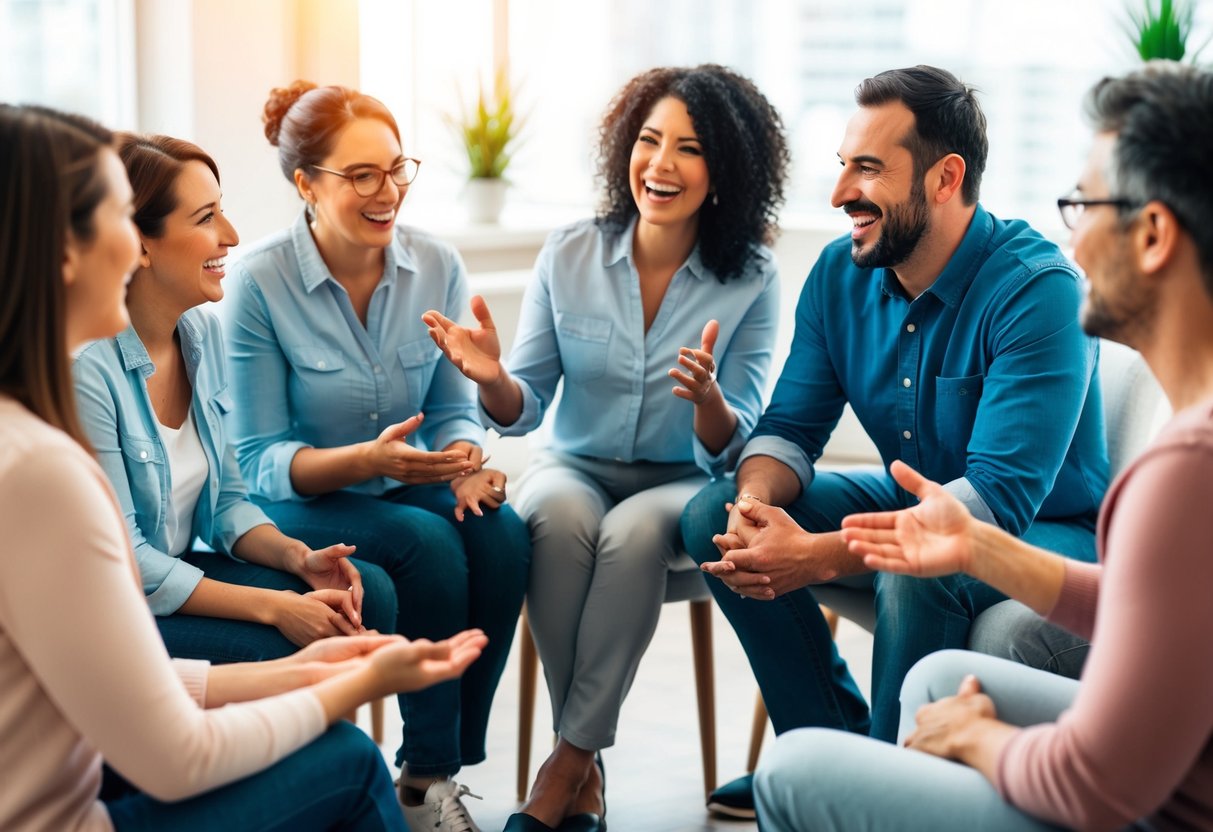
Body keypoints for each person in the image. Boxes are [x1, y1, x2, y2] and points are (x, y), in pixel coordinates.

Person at [0, 102, 487, 832]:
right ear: (70, 249)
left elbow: (221, 506)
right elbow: (171, 747)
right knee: (350, 758)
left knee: (401, 579)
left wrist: (308, 651)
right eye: (117, 218)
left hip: (110, 731)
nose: (229, 234)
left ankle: (426, 771)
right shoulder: (43, 461)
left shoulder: (189, 338)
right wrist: (334, 675)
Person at [755, 60, 1213, 832]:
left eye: (1083, 203)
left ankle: (868, 777)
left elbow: (1096, 790)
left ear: (1154, 233)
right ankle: (875, 764)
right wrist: (971, 547)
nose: (1071, 235)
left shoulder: (1183, 472)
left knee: (792, 770)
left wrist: (980, 739)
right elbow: (1153, 615)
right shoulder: (1188, 444)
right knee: (938, 677)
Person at [679, 64, 1109, 817]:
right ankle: (835, 752)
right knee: (711, 516)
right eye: (842, 164)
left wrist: (814, 555)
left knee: (921, 568)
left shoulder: (1037, 288)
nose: (841, 191)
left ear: (945, 179)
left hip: (1047, 529)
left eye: (868, 168)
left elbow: (997, 500)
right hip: (920, 498)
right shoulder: (839, 273)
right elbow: (787, 429)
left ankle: (882, 791)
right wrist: (753, 507)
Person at [423, 63, 788, 831]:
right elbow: (522, 411)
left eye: (689, 149)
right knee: (553, 517)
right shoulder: (570, 251)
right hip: (574, 463)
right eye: (648, 140)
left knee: (629, 534)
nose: (661, 164)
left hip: (680, 480)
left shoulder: (753, 276)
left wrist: (709, 401)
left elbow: (735, 445)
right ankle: (582, 764)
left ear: (724, 171)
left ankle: (562, 771)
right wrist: (491, 380)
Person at [223, 80, 532, 831]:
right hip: (299, 495)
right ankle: (429, 775)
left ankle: (435, 767)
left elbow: (456, 407)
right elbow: (258, 455)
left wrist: (462, 458)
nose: (386, 191)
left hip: (401, 480)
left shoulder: (435, 264)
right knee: (429, 543)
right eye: (361, 175)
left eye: (396, 168)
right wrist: (366, 460)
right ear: (306, 183)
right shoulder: (259, 283)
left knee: (499, 533)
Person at [73, 132, 396, 662]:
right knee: (277, 635)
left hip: (170, 577)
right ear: (139, 244)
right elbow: (125, 558)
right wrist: (272, 605)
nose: (230, 235)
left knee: (366, 591)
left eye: (222, 211)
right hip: (110, 610)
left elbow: (224, 505)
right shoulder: (87, 367)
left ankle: (326, 738)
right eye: (205, 219)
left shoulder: (202, 335)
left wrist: (298, 558)